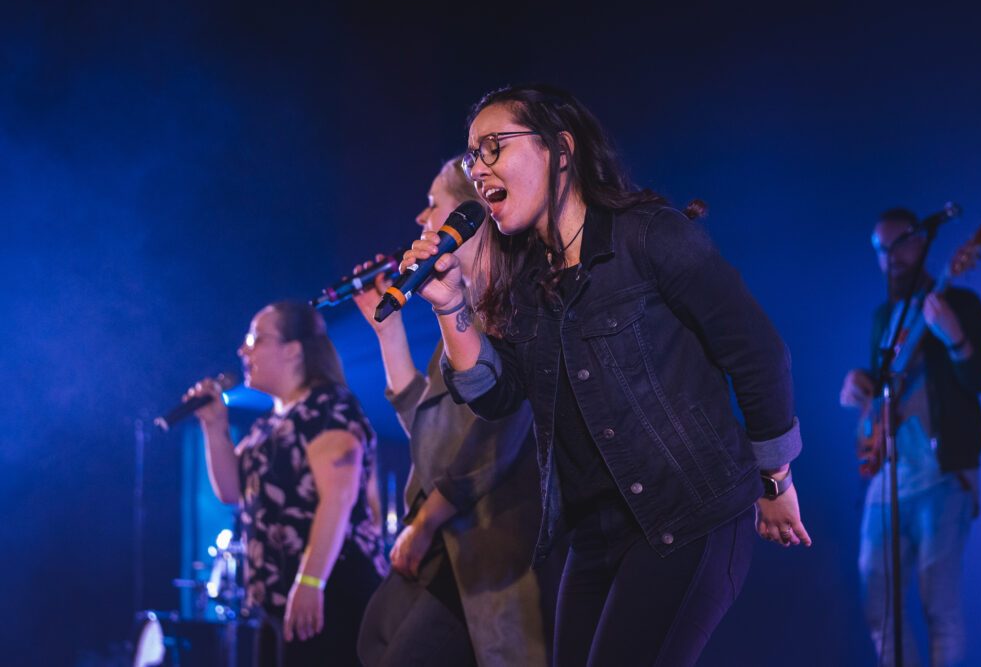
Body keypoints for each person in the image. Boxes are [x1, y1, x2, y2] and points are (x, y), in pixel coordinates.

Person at [401, 84, 810, 666]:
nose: (478, 169)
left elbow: (757, 351)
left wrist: (775, 478)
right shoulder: (524, 283)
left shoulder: (648, 235)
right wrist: (449, 306)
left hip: (688, 516)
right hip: (595, 537)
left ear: (559, 149)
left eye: (493, 146)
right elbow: (494, 393)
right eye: (472, 156)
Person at [353, 158, 555, 666]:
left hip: (492, 546)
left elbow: (491, 448)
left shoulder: (513, 311)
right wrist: (388, 335)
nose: (422, 218)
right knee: (376, 642)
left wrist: (421, 523)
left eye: (433, 203)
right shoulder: (463, 314)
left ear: (473, 212)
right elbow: (430, 438)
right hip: (452, 545)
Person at [185, 301, 387, 667]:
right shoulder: (271, 423)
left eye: (256, 339)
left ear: (294, 350)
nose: (243, 350)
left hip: (330, 592)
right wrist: (214, 426)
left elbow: (337, 499)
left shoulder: (329, 408)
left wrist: (311, 582)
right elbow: (231, 491)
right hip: (279, 598)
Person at [840, 208, 981, 667]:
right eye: (880, 249)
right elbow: (889, 385)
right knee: (878, 607)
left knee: (938, 608)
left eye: (899, 243)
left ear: (922, 244)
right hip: (889, 478)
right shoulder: (884, 317)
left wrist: (954, 337)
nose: (890, 257)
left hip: (943, 477)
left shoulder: (960, 303)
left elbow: (979, 376)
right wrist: (860, 388)